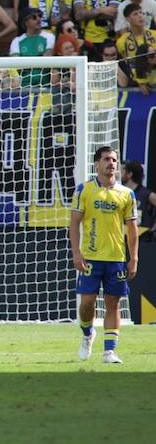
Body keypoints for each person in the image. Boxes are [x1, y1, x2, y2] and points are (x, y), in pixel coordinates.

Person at [69, 146, 139, 364]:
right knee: (87, 303)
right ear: (96, 164)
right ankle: (88, 333)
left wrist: (133, 258)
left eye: (114, 160)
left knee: (113, 303)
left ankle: (109, 351)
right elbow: (74, 223)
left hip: (116, 258)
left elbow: (132, 228)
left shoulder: (127, 194)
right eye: (107, 159)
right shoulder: (84, 190)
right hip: (91, 258)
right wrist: (77, 253)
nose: (112, 163)